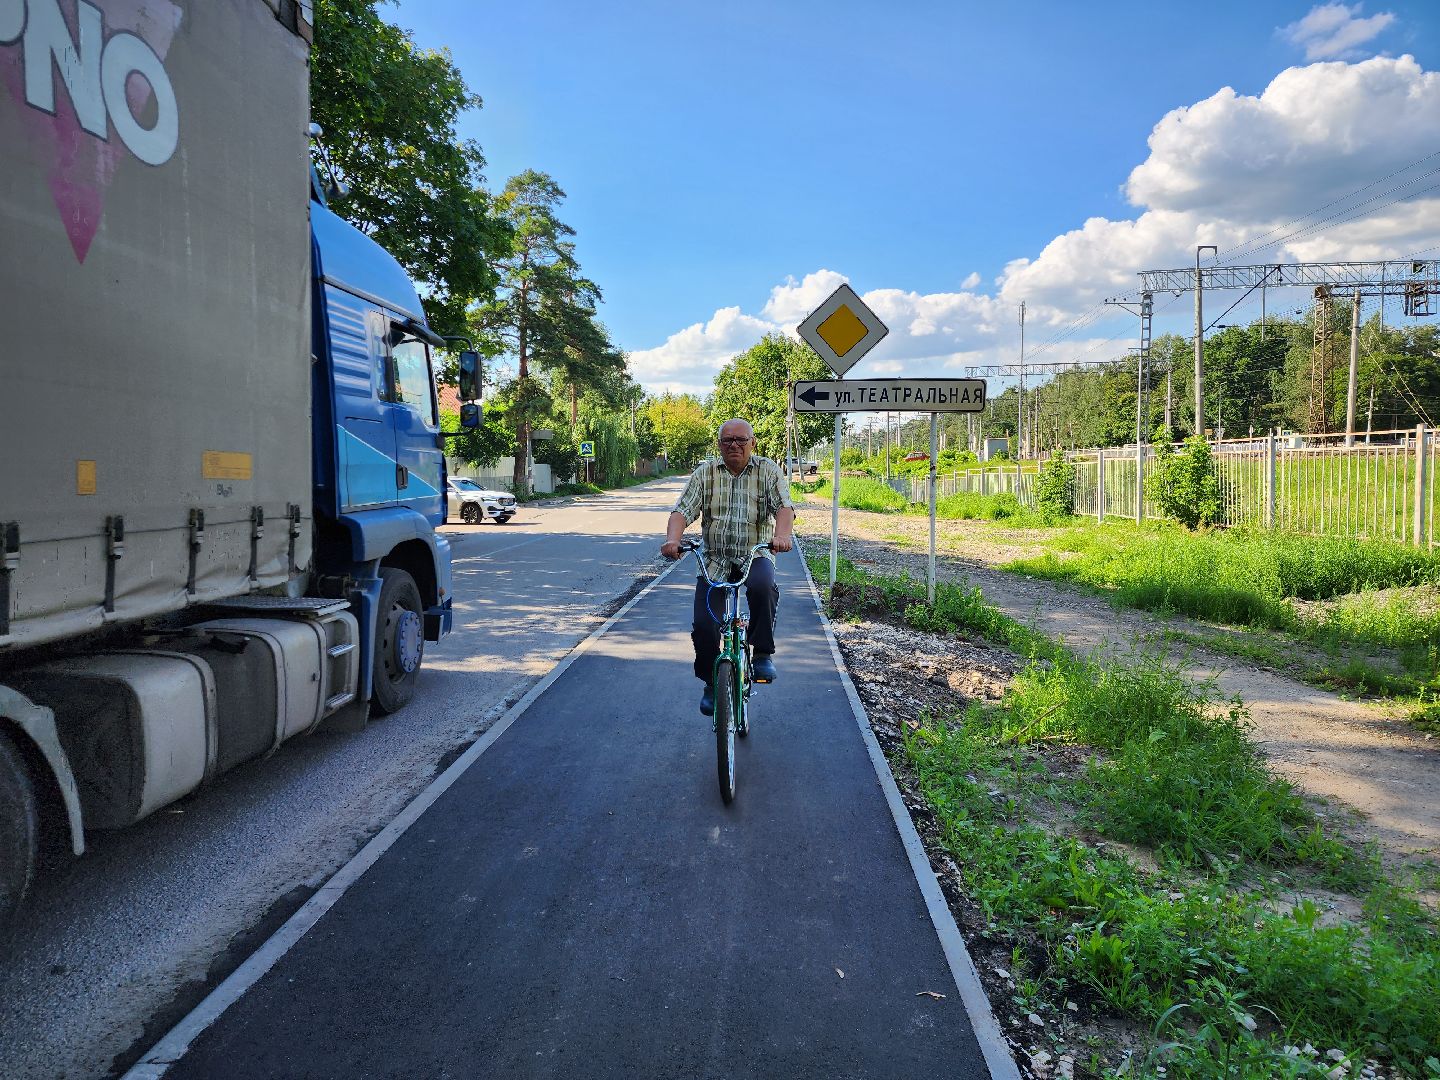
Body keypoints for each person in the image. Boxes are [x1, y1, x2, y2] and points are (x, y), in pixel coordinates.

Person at [660, 419, 795, 715]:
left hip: (755, 553)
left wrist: (782, 536)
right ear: (719, 445)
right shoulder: (705, 473)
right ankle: (712, 683)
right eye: (727, 441)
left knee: (762, 586)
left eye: (741, 440)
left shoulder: (768, 470)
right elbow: (682, 510)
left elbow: (784, 508)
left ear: (752, 443)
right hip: (715, 559)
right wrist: (673, 540)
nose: (734, 445)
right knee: (705, 625)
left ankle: (762, 654)